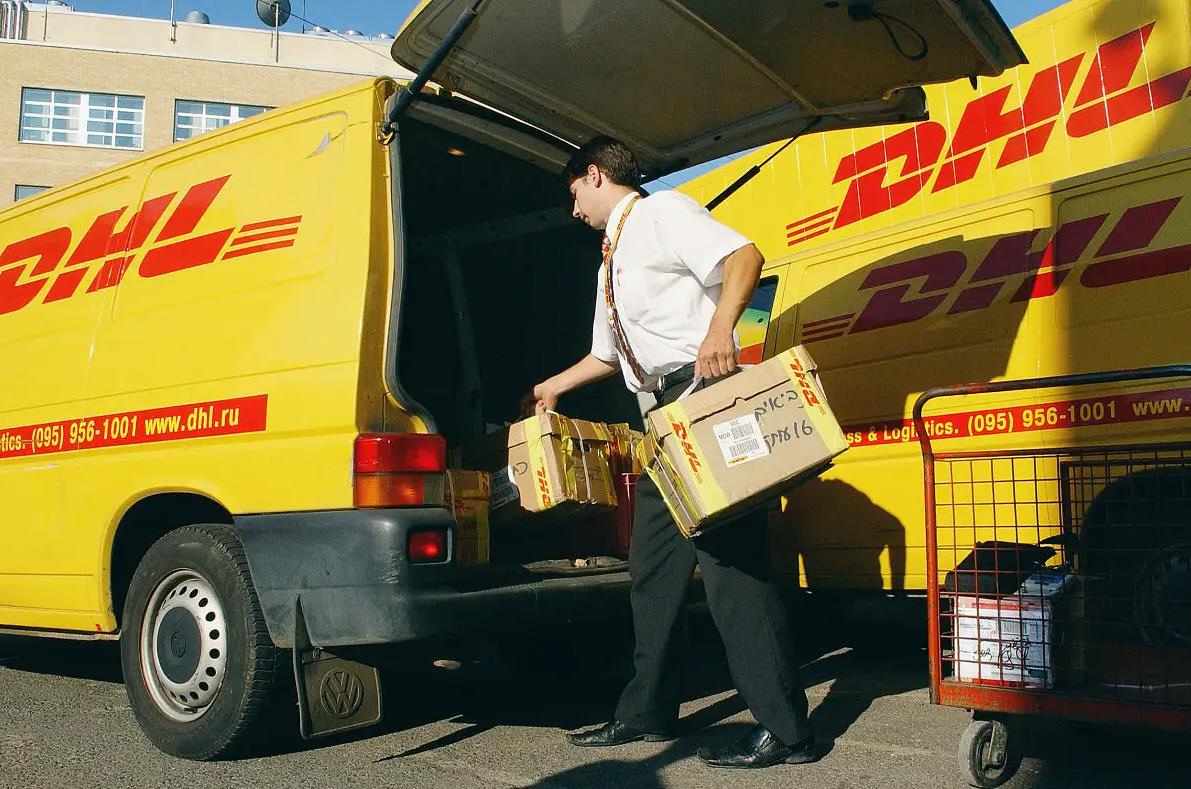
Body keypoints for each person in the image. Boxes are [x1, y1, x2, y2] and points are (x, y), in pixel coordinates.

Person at [529, 136, 816, 769]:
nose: (573, 209)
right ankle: (646, 711)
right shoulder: (609, 261)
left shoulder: (661, 213)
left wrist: (720, 331)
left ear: (595, 175)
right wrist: (555, 385)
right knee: (653, 566)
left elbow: (744, 256)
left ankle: (787, 731)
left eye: (574, 192)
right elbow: (608, 355)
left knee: (731, 567)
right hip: (663, 421)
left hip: (703, 398)